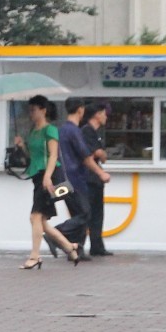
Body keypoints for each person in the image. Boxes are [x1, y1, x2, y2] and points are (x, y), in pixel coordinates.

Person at [21, 95, 83, 269]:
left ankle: (35, 256)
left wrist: (48, 176)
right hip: (37, 176)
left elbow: (53, 155)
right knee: (41, 222)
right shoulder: (33, 131)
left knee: (35, 217)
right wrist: (21, 147)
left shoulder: (51, 130)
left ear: (43, 110)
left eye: (34, 110)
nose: (31, 113)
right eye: (30, 110)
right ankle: (70, 247)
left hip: (48, 177)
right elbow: (32, 157)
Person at [52, 100, 100, 256]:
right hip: (75, 180)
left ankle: (76, 249)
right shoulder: (74, 131)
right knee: (85, 214)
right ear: (81, 110)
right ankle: (54, 235)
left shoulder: (60, 130)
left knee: (77, 215)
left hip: (61, 180)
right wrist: (101, 173)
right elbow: (85, 156)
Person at [80, 100, 112, 256]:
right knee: (86, 213)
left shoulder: (96, 133)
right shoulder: (86, 131)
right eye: (104, 114)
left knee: (98, 214)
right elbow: (94, 154)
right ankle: (76, 246)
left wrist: (99, 153)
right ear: (97, 115)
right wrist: (99, 153)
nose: (106, 117)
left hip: (96, 180)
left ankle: (97, 246)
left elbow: (103, 156)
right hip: (87, 178)